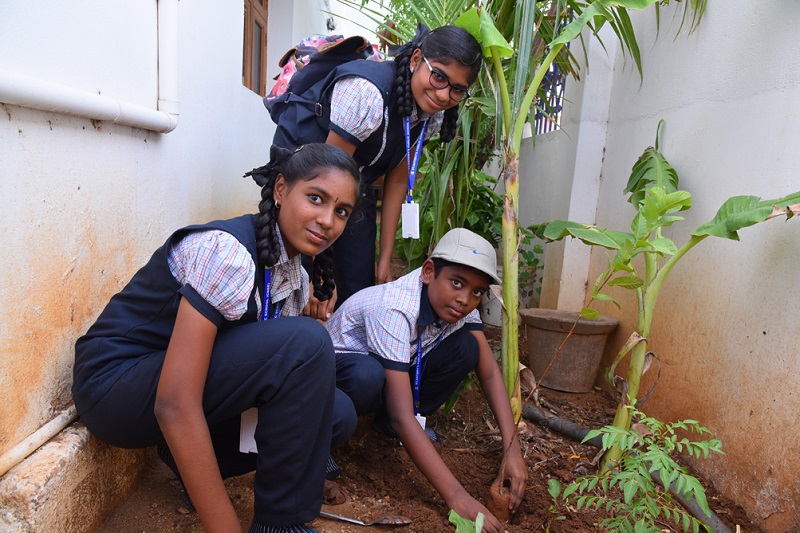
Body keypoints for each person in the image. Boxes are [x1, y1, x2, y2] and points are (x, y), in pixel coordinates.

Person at [72, 144, 362, 533]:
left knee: (336, 412)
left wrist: (305, 468)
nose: (327, 220)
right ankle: (279, 525)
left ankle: (185, 459)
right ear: (280, 189)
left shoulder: (293, 274)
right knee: (306, 345)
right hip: (115, 390)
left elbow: (288, 392)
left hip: (174, 382)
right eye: (316, 198)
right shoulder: (229, 253)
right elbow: (174, 402)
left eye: (341, 211)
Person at [271, 24, 483, 316]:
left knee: (358, 282)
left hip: (352, 177)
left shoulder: (430, 115)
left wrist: (384, 259)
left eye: (457, 89)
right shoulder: (366, 92)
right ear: (416, 59)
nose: (444, 94)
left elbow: (397, 182)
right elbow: (328, 182)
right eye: (438, 76)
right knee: (300, 275)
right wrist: (318, 271)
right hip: (309, 169)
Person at [325, 228, 527, 533]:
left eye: (477, 292)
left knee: (467, 347)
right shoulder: (394, 309)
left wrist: (512, 450)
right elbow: (402, 415)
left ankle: (383, 426)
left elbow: (488, 371)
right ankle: (324, 444)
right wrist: (458, 498)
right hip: (336, 379)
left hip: (390, 371)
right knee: (367, 376)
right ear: (429, 272)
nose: (464, 299)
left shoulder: (458, 305)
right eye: (457, 283)